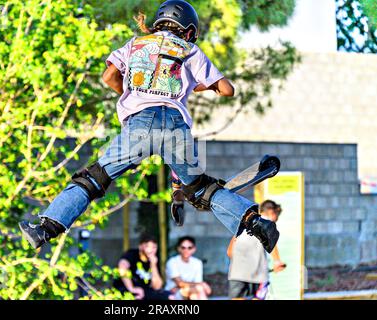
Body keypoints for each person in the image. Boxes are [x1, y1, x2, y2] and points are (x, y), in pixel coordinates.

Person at [18, 0, 279, 255]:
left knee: (94, 178)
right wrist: (200, 84)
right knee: (200, 190)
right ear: (188, 31)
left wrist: (131, 94)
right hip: (176, 126)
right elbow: (227, 90)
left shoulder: (135, 44)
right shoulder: (189, 49)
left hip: (139, 125)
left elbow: (109, 76)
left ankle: (46, 228)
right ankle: (257, 222)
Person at [227, 200, 286, 300]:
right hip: (258, 275)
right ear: (272, 212)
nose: (277, 219)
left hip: (236, 273)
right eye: (277, 215)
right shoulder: (267, 224)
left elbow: (229, 251)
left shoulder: (243, 223)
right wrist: (277, 261)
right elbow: (271, 244)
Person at [113, 234, 173, 300]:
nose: (151, 250)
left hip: (145, 291)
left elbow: (157, 287)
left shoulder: (154, 260)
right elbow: (122, 267)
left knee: (169, 297)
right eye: (147, 246)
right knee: (137, 296)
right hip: (126, 289)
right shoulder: (132, 254)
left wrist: (153, 265)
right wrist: (132, 288)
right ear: (140, 246)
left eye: (154, 247)